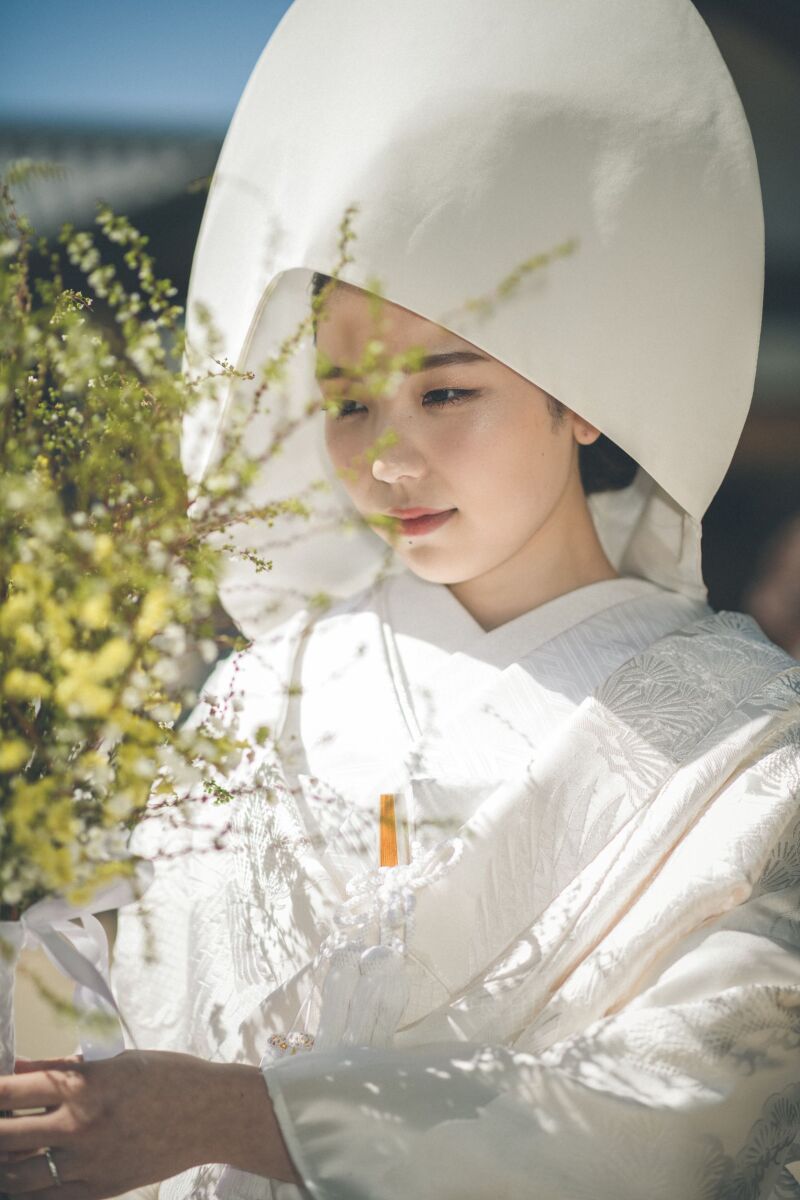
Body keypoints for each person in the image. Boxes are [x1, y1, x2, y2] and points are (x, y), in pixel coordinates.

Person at [1, 1, 799, 1198]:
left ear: (583, 396)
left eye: (444, 393)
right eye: (348, 401)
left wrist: (250, 1117)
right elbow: (108, 977)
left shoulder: (752, 742)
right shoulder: (255, 687)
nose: (385, 459)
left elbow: (686, 1103)